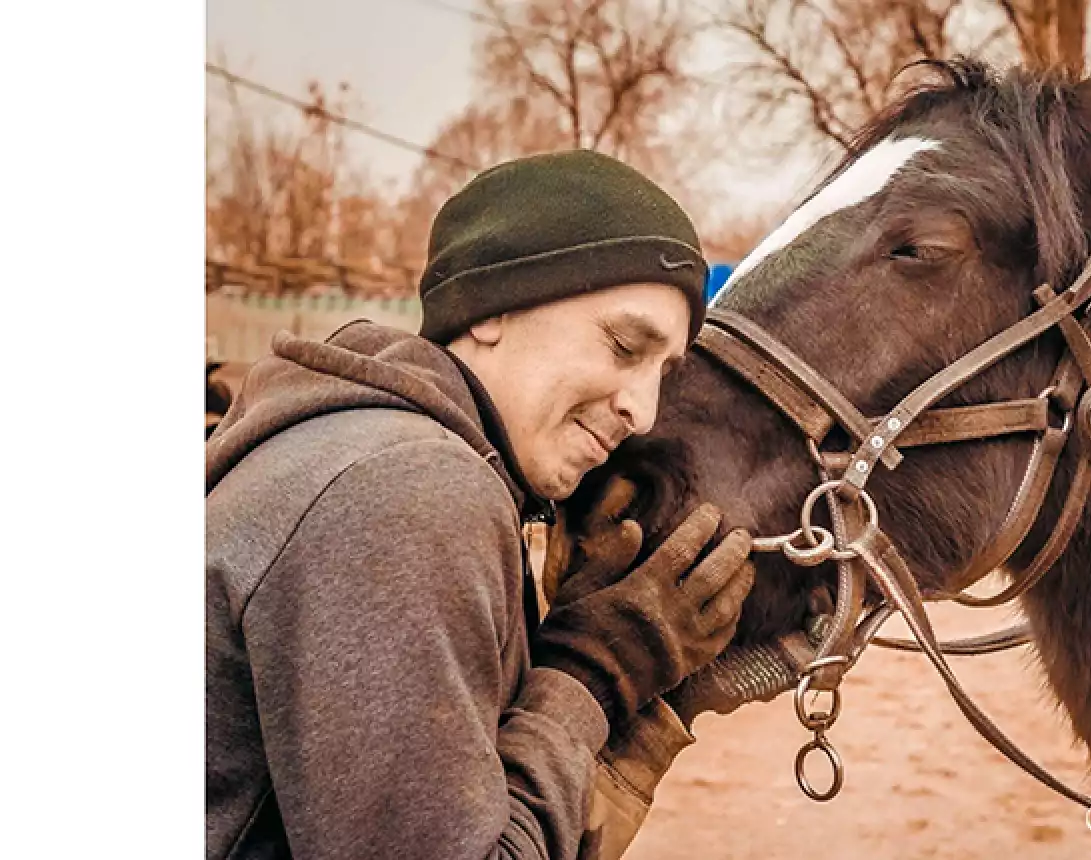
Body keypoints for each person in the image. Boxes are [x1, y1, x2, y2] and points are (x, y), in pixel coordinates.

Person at [206, 150, 793, 860]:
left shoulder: (364, 449)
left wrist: (612, 676)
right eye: (622, 345)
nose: (642, 411)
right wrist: (593, 673)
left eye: (662, 373)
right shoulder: (404, 491)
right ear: (493, 310)